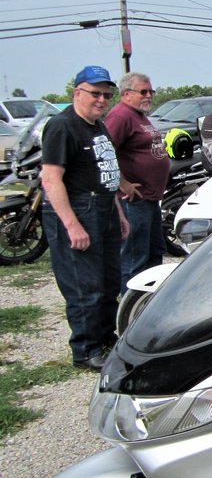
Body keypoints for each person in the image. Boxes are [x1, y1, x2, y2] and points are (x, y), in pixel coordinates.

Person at [40, 65, 130, 372]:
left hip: (103, 207)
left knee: (108, 281)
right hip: (78, 208)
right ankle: (86, 349)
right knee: (84, 285)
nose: (102, 100)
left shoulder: (98, 126)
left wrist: (118, 212)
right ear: (77, 92)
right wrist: (71, 224)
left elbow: (106, 175)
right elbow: (51, 180)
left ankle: (106, 338)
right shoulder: (62, 126)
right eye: (95, 93)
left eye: (107, 94)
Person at [105, 72, 170, 292]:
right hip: (134, 202)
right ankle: (130, 310)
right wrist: (122, 183)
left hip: (150, 199)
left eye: (151, 91)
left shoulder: (139, 115)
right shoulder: (120, 116)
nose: (149, 95)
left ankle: (147, 304)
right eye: (144, 91)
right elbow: (105, 152)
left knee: (154, 252)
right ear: (126, 94)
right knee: (135, 258)